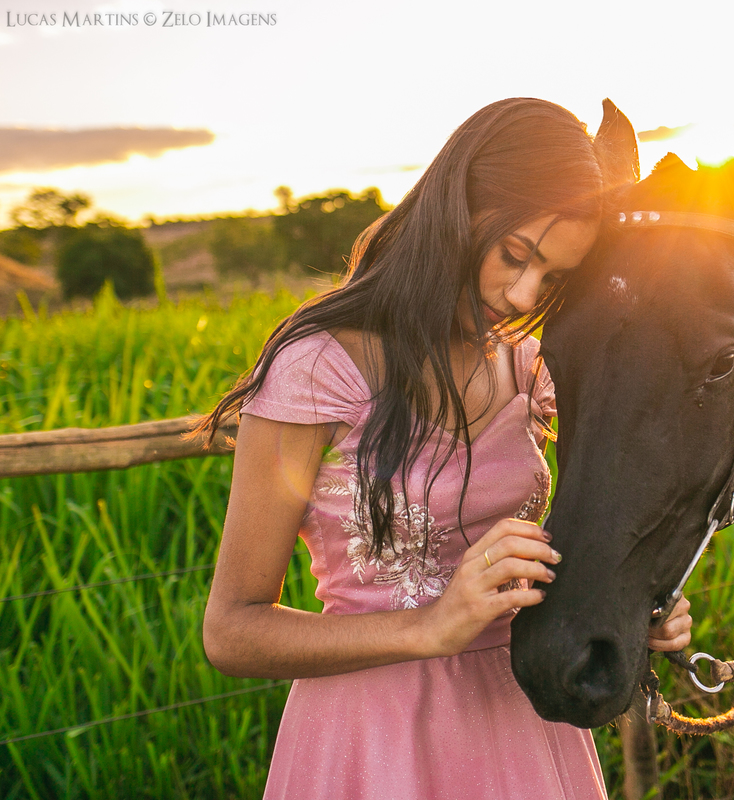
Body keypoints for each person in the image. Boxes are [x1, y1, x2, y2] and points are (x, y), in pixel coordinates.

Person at [196, 97, 692, 800]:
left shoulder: (525, 364)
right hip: (375, 739)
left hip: (526, 722)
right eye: (514, 254)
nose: (522, 293)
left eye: (553, 279)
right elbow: (232, 631)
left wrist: (638, 600)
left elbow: (586, 526)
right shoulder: (319, 367)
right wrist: (431, 627)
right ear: (458, 206)